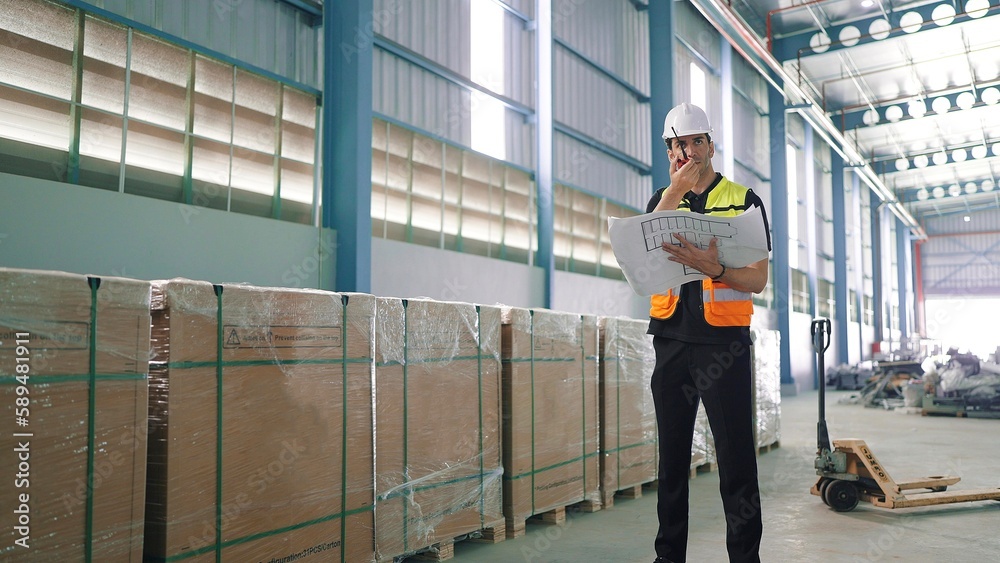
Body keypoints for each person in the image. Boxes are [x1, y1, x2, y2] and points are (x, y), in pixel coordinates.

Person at [646, 102, 771, 563]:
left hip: (724, 346)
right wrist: (673, 194)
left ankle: (745, 558)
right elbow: (644, 262)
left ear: (710, 145)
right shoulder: (660, 201)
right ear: (669, 153)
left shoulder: (744, 200)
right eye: (677, 145)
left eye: (695, 141)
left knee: (737, 462)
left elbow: (757, 280)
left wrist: (714, 268)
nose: (687, 152)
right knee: (672, 462)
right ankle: (668, 557)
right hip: (672, 343)